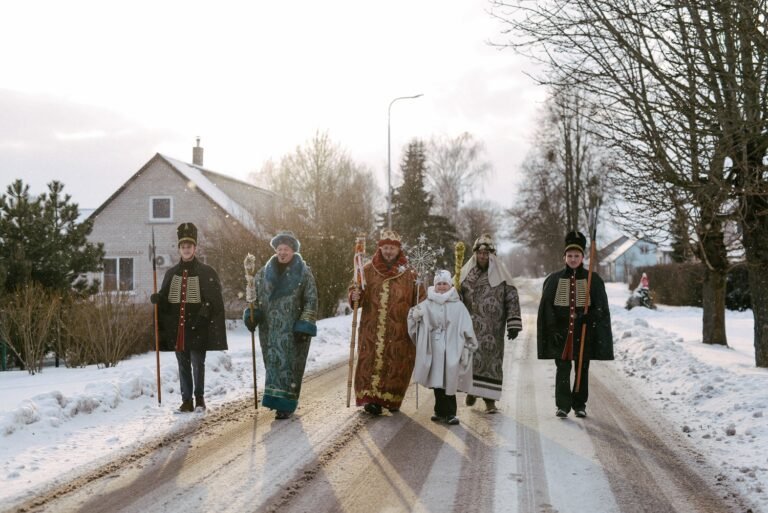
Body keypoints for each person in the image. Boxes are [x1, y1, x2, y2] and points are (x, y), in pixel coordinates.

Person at [151, 222, 228, 413]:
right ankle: (186, 400)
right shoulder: (171, 273)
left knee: (197, 364)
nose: (186, 250)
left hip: (198, 328)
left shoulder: (206, 272)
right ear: (179, 249)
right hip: (179, 329)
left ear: (195, 248)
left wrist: (203, 316)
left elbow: (214, 300)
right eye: (183, 247)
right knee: (183, 365)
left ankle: (199, 398)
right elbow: (167, 301)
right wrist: (158, 299)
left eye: (189, 247)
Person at [537, 231, 614, 418]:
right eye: (570, 256)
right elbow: (547, 308)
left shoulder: (592, 280)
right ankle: (562, 405)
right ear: (564, 257)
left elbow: (602, 308)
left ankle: (580, 404)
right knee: (562, 369)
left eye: (577, 256)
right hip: (562, 334)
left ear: (583, 257)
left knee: (582, 368)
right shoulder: (554, 280)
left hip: (584, 333)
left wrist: (590, 317)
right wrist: (553, 328)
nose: (573, 259)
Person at [243, 231, 318, 419]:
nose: (282, 253)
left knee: (290, 367)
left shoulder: (303, 273)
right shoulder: (263, 273)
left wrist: (304, 324)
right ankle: (275, 399)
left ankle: (286, 404)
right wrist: (252, 315)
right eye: (279, 249)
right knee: (273, 365)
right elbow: (255, 298)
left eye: (286, 249)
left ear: (293, 251)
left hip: (293, 330)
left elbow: (311, 299)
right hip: (269, 329)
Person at [349, 229, 424, 415]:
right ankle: (371, 398)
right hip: (371, 327)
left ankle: (391, 398)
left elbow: (421, 298)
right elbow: (355, 290)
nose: (388, 252)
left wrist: (420, 315)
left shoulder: (411, 273)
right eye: (385, 248)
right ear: (380, 248)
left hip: (400, 330)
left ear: (399, 250)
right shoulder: (366, 270)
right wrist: (355, 295)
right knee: (370, 360)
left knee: (397, 362)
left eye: (392, 248)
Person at [459, 234, 522, 413]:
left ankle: (490, 401)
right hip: (470, 327)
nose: (483, 257)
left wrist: (514, 323)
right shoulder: (465, 274)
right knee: (471, 361)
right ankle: (472, 392)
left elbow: (512, 298)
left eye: (487, 253)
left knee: (491, 364)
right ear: (475, 254)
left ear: (492, 255)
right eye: (480, 253)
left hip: (493, 329)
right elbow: (456, 296)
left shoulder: (502, 276)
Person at [408, 270, 477, 425]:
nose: (441, 287)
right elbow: (415, 318)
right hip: (434, 347)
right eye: (438, 283)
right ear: (435, 285)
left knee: (450, 380)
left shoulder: (458, 306)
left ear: (450, 285)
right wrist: (415, 316)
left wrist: (468, 345)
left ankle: (451, 413)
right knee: (437, 381)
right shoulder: (427, 303)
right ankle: (439, 411)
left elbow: (466, 325)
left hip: (453, 346)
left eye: (444, 283)